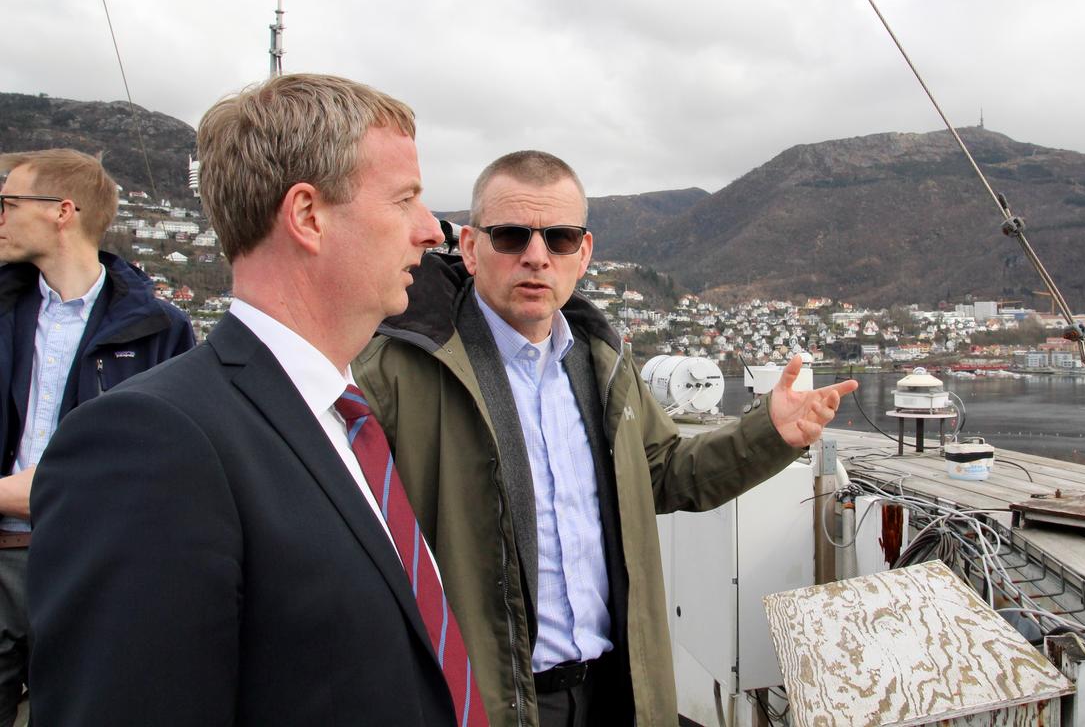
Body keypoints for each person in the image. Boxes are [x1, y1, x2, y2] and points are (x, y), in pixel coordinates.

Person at [28, 75, 487, 726]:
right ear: (307, 216)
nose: (431, 231)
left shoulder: (347, 422)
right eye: (405, 199)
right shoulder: (152, 442)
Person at [353, 150, 858, 727]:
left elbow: (664, 472)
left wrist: (770, 432)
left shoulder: (604, 364)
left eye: (560, 238)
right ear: (470, 247)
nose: (537, 256)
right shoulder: (399, 371)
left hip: (615, 691)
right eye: (511, 236)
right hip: (486, 703)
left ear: (584, 252)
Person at [0, 148, 195, 725]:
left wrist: (56, 490)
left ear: (62, 211)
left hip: (94, 568)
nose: (0, 217)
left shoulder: (160, 329)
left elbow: (169, 467)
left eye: (8, 204)